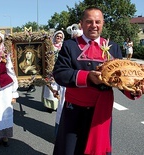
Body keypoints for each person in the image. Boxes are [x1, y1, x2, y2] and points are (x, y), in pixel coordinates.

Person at [52, 6, 144, 155]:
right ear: (81, 24)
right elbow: (60, 73)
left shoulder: (113, 48)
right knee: (70, 150)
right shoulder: (70, 45)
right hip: (75, 111)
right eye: (89, 21)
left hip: (101, 111)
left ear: (103, 24)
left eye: (97, 21)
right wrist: (88, 77)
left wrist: (135, 88)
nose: (93, 25)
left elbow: (122, 77)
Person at [42, 30, 65, 113]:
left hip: (59, 68)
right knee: (50, 86)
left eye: (60, 37)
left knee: (58, 86)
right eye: (57, 36)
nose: (58, 38)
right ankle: (49, 106)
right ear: (55, 37)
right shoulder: (51, 46)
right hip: (51, 68)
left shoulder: (63, 47)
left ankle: (57, 105)